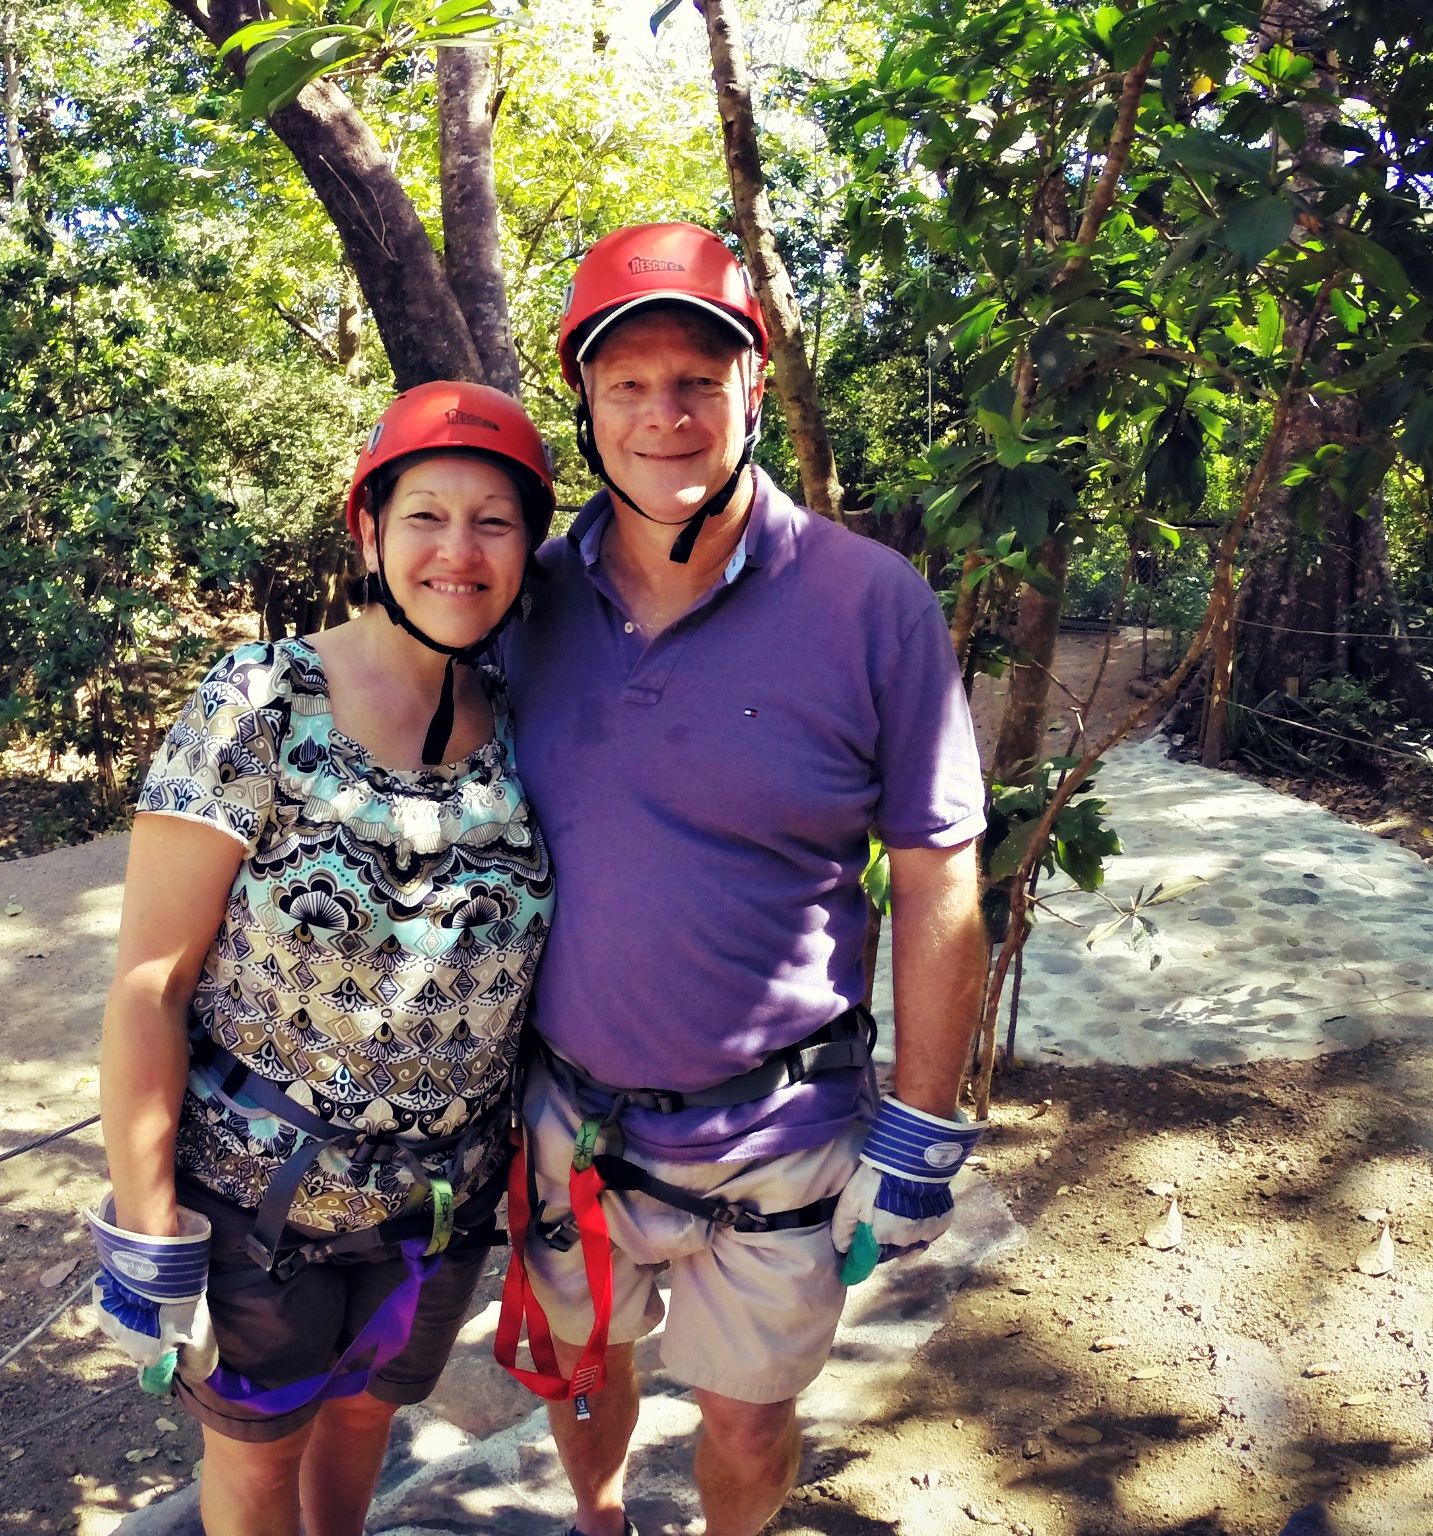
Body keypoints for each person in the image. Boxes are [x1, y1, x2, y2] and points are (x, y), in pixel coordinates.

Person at [492, 222, 990, 1536]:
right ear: (585, 403)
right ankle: (598, 1524)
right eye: (627, 383)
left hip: (779, 1131)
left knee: (751, 1419)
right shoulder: (518, 604)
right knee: (580, 1366)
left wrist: (922, 1131)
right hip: (570, 1121)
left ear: (751, 387)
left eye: (697, 381)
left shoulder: (869, 603)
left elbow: (939, 877)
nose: (663, 416)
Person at [89, 382, 559, 1536]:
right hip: (255, 1210)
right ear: (368, 530)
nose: (458, 551)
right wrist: (145, 1229)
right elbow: (150, 984)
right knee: (257, 1469)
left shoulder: (525, 718)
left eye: (493, 522)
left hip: (437, 1209)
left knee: (360, 1429)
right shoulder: (260, 700)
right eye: (425, 515)